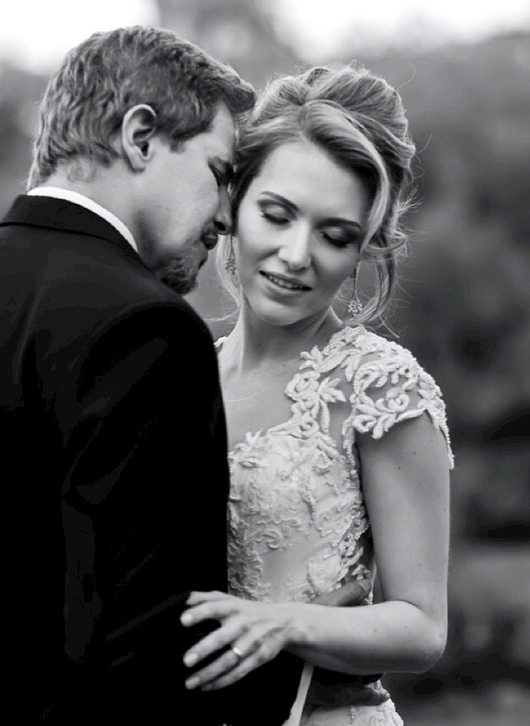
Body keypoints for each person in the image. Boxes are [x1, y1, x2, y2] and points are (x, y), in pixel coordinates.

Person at [0, 26, 308, 725]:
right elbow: (147, 639)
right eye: (221, 173)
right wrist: (309, 659)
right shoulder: (151, 328)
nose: (229, 220)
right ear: (140, 137)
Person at [178, 64, 454, 726]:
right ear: (234, 205)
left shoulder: (379, 385)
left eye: (335, 236)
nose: (297, 254)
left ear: (363, 252)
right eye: (277, 215)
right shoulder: (183, 375)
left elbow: (422, 626)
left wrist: (283, 623)